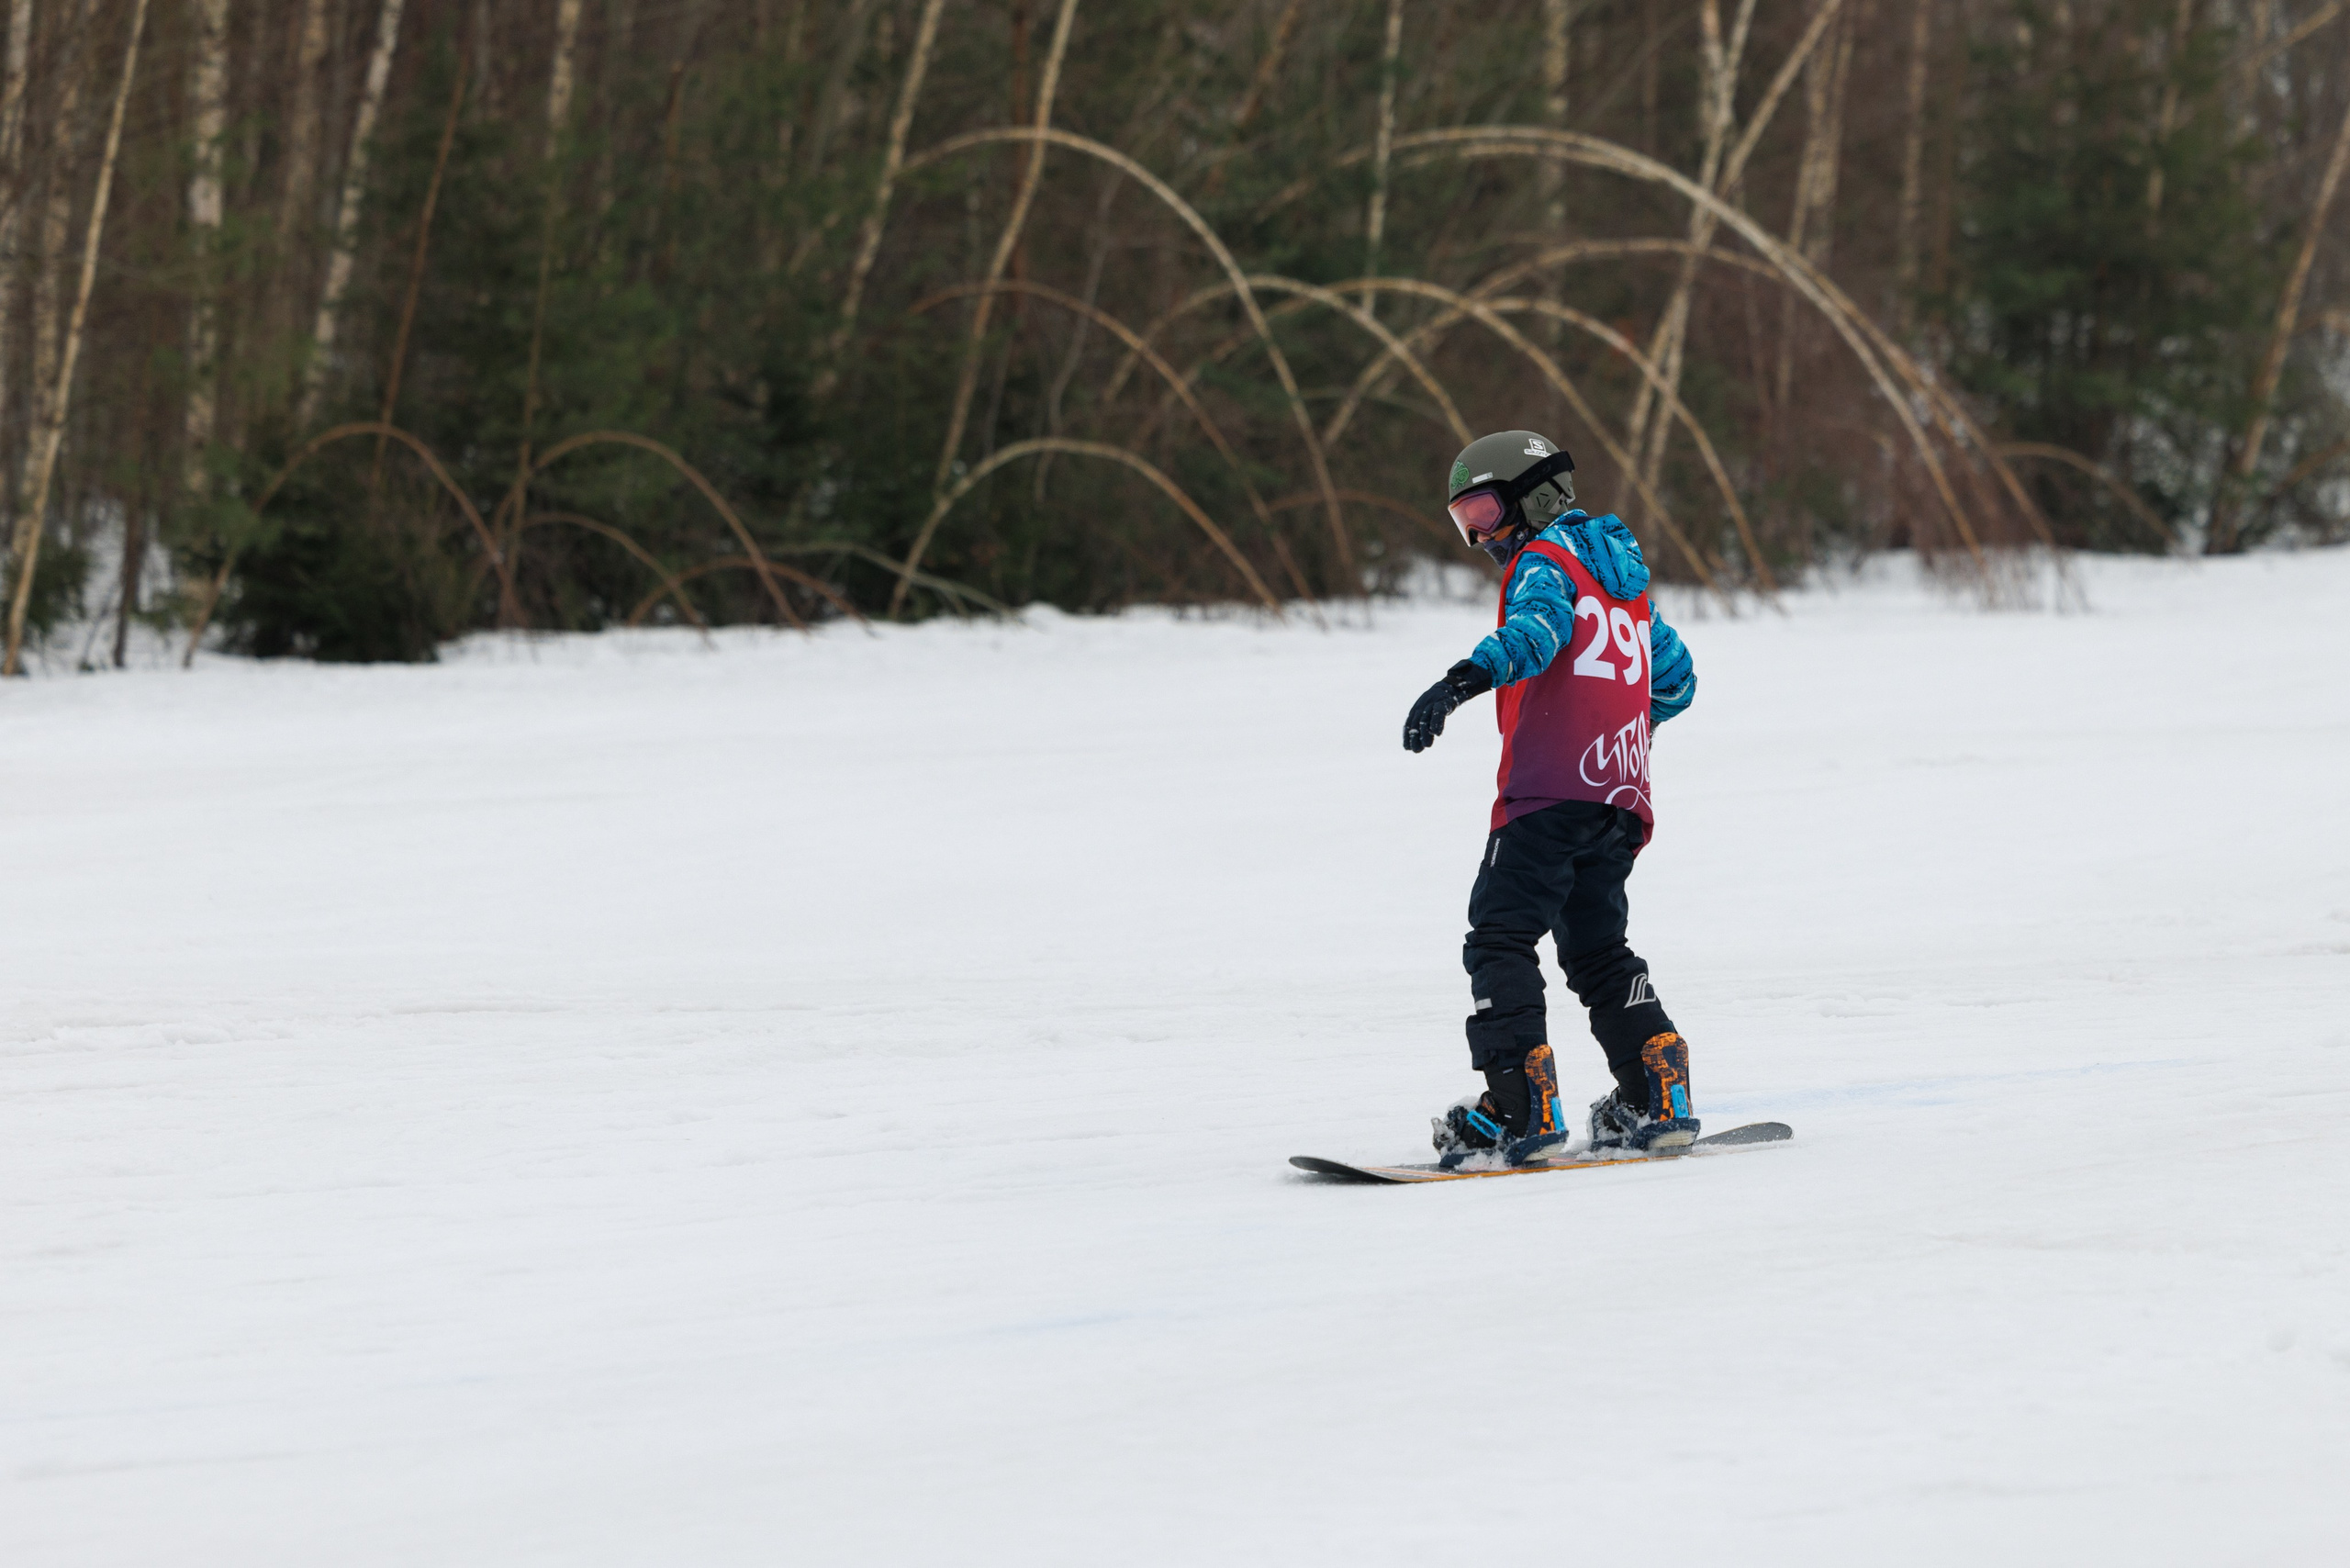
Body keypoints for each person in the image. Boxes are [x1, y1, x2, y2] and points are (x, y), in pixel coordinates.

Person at [1400, 430, 1700, 1168]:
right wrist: (1621, 722)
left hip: (1546, 793)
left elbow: (1537, 631)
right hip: (1619, 797)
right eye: (1464, 521)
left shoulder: (1545, 562)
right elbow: (1679, 680)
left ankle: (1518, 1107)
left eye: (1484, 512)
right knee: (1597, 948)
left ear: (1536, 497)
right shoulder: (1628, 584)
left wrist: (1462, 680)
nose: (1480, 538)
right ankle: (1655, 1090)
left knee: (1499, 937)